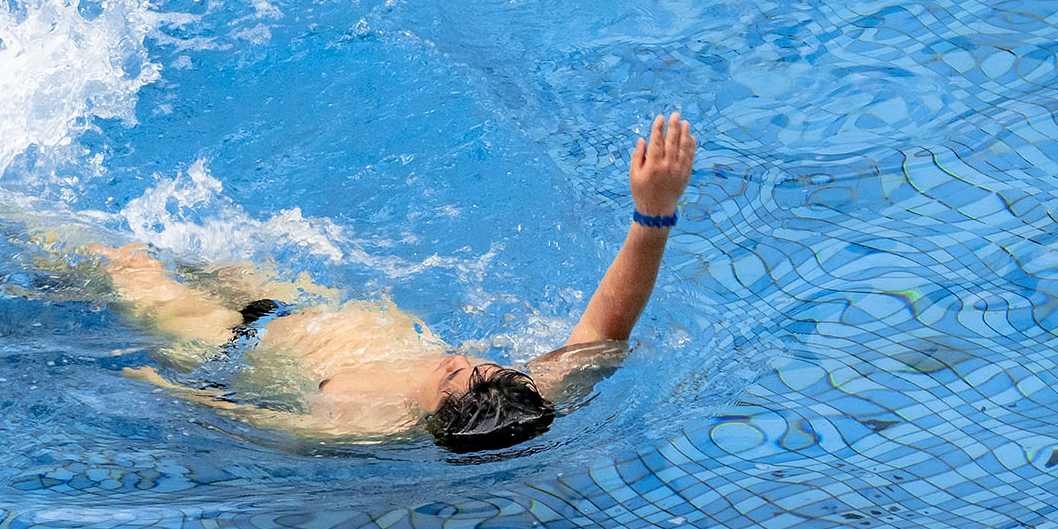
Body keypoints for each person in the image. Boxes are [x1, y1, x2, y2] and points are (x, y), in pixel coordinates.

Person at [62, 113, 697, 453]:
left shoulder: (363, 424)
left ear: (431, 418)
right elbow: (604, 330)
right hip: (293, 306)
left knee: (120, 262)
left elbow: (247, 422)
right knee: (195, 242)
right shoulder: (516, 391)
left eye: (454, 373)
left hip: (227, 342)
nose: (461, 358)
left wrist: (163, 390)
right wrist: (653, 214)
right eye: (482, 361)